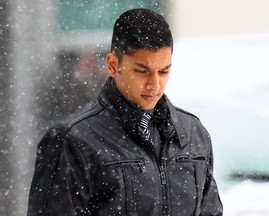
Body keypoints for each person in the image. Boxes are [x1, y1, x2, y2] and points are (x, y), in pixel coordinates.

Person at [27, 8, 223, 216]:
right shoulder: (72, 140)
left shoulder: (193, 134)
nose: (154, 84)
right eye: (142, 71)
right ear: (113, 65)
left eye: (164, 71)